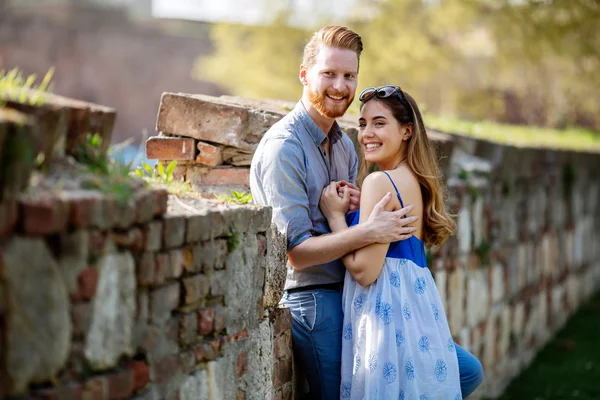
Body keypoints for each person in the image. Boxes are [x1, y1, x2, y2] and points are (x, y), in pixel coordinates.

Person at [250, 26, 482, 399]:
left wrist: (354, 213)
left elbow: (358, 234)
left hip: (359, 290)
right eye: (329, 73)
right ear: (304, 74)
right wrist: (369, 230)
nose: (340, 86)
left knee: (463, 371)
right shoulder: (284, 148)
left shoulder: (345, 146)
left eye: (349, 76)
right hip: (315, 296)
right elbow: (296, 253)